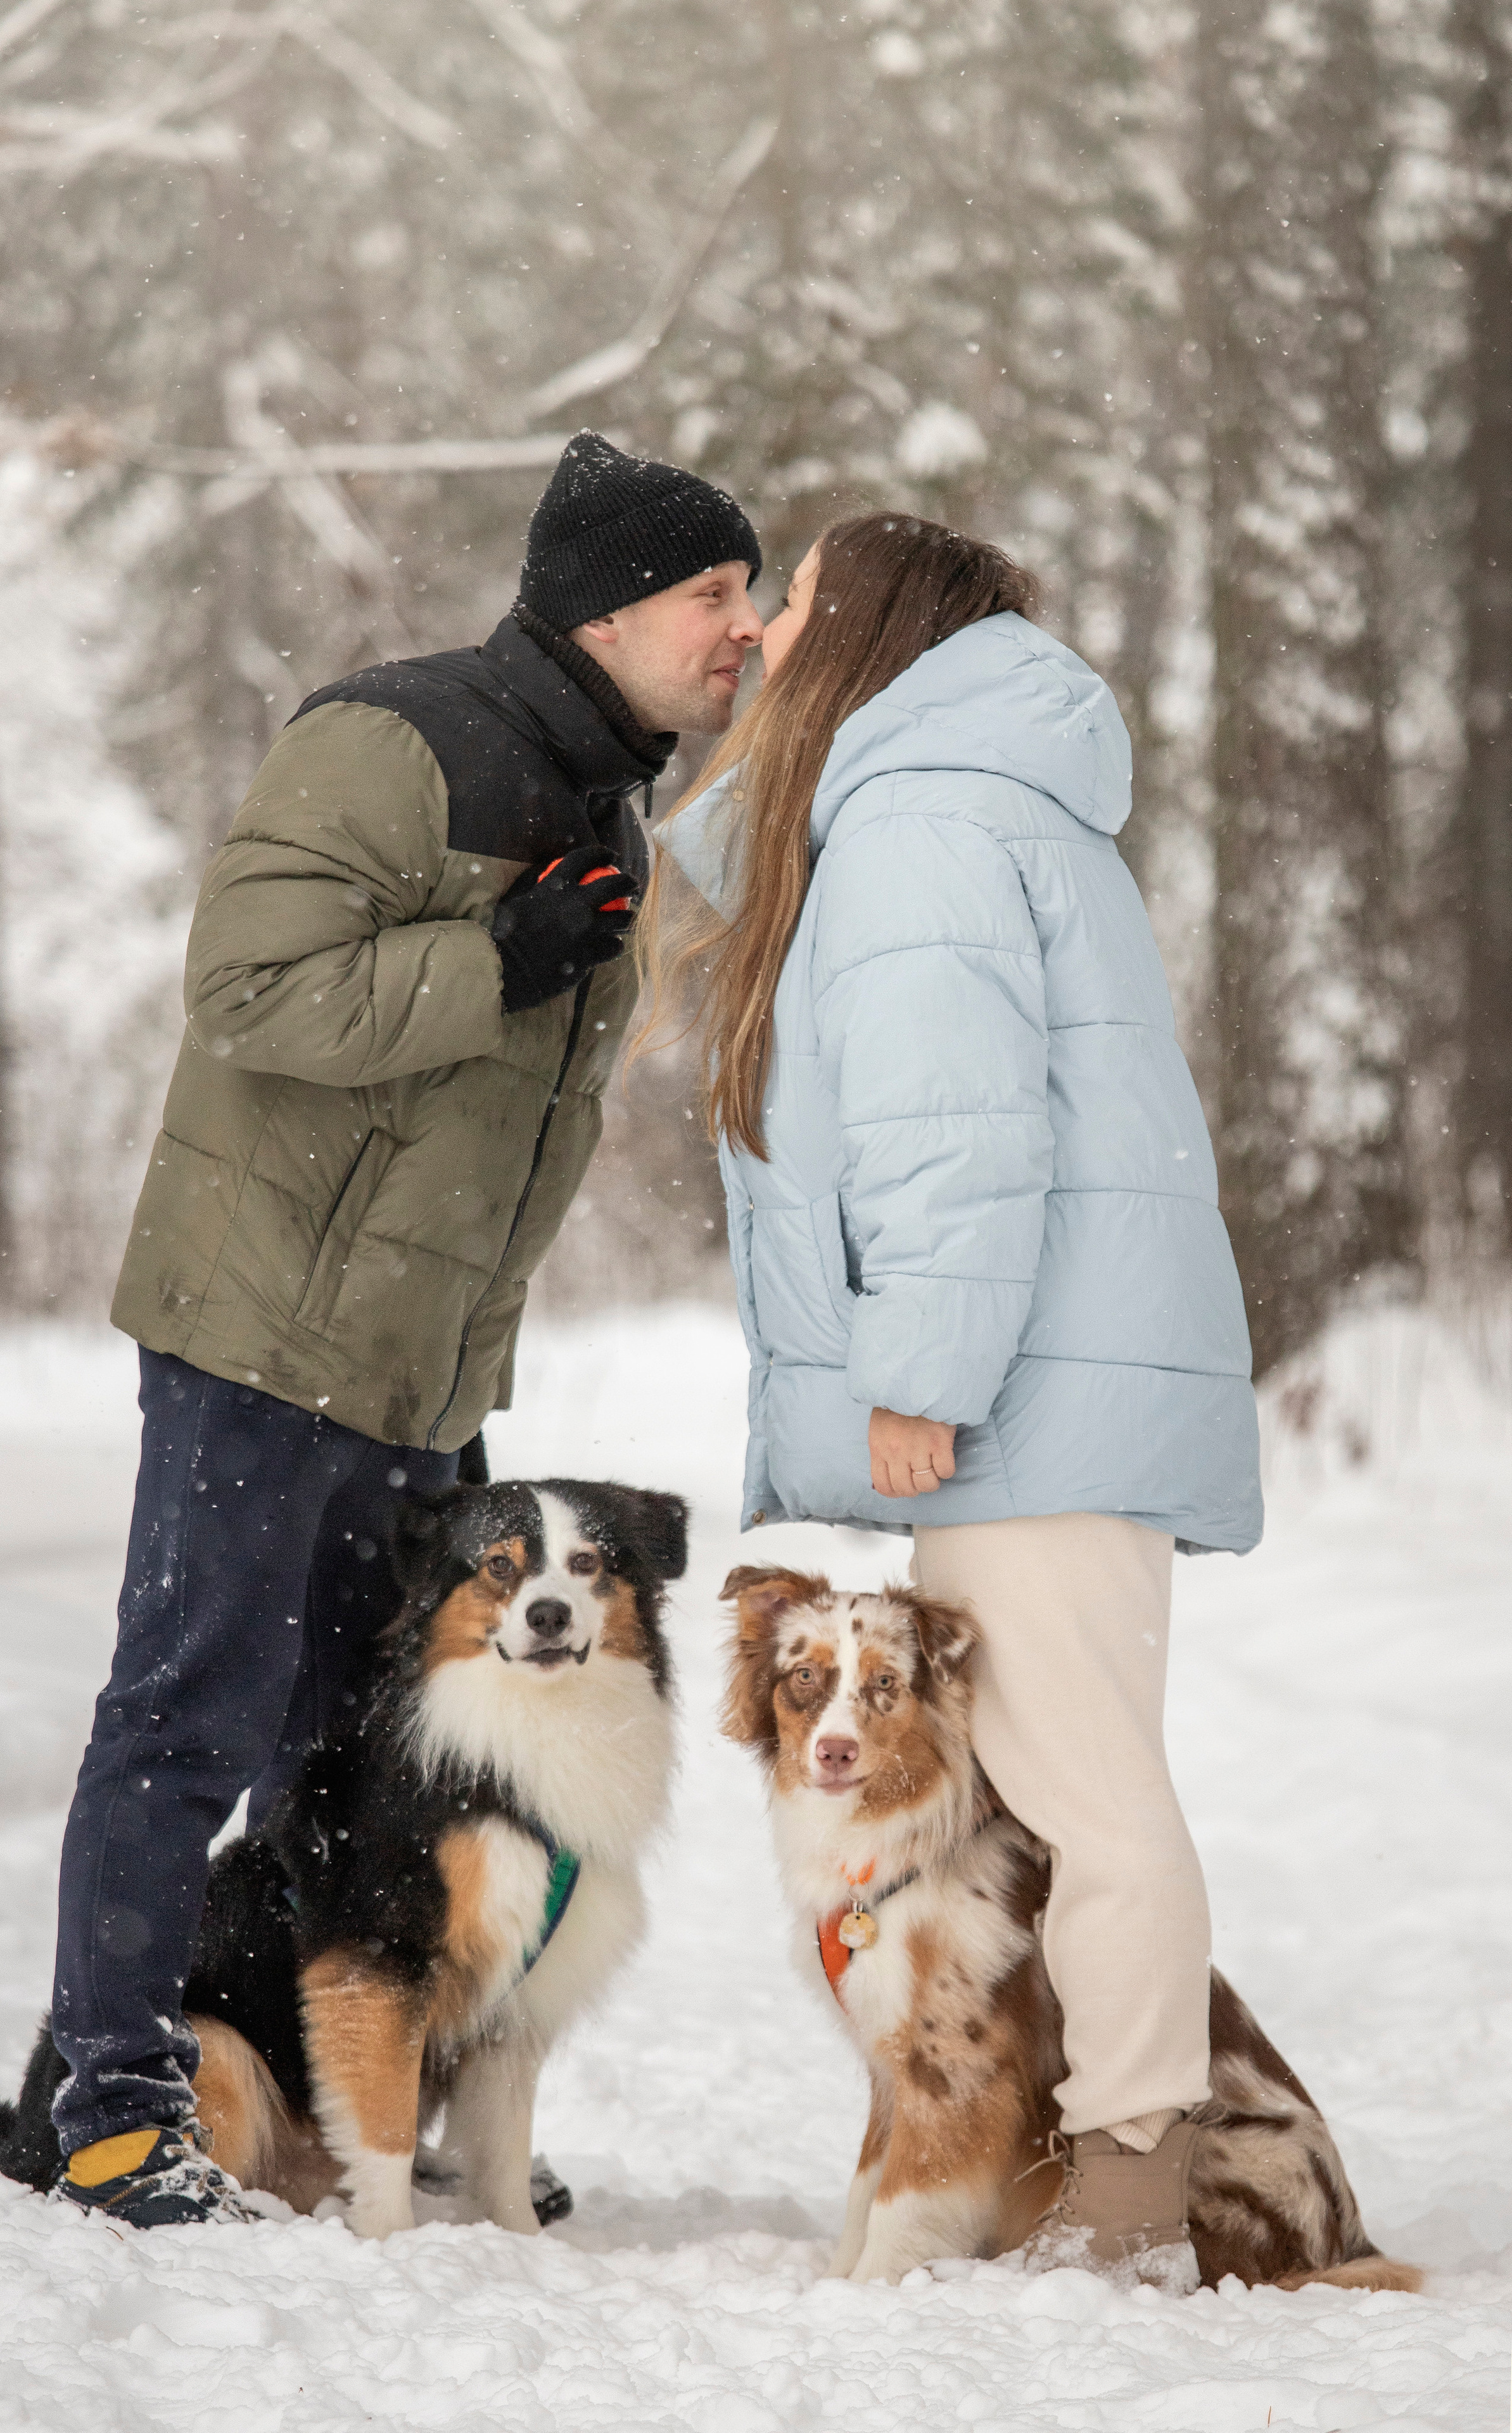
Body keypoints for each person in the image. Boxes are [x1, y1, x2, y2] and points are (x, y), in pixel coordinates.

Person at [50, 432, 764, 2227]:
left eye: (750, 596)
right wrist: (496, 956)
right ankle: (118, 2101)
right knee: (188, 1715)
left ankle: (344, 2097)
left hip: (420, 1360)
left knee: (367, 1754)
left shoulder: (606, 794)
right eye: (713, 595)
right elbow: (251, 990)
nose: (740, 630)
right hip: (269, 1326)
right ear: (608, 614)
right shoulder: (395, 737)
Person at [643, 511, 1262, 2287]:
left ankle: (1136, 2203)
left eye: (797, 601)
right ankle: (1064, 2166)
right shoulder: (960, 797)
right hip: (1054, 1372)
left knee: (1092, 1802)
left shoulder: (920, 822)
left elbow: (956, 1130)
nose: (759, 631)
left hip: (1024, 1387)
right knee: (1058, 1801)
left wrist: (920, 1367)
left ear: (874, 628)